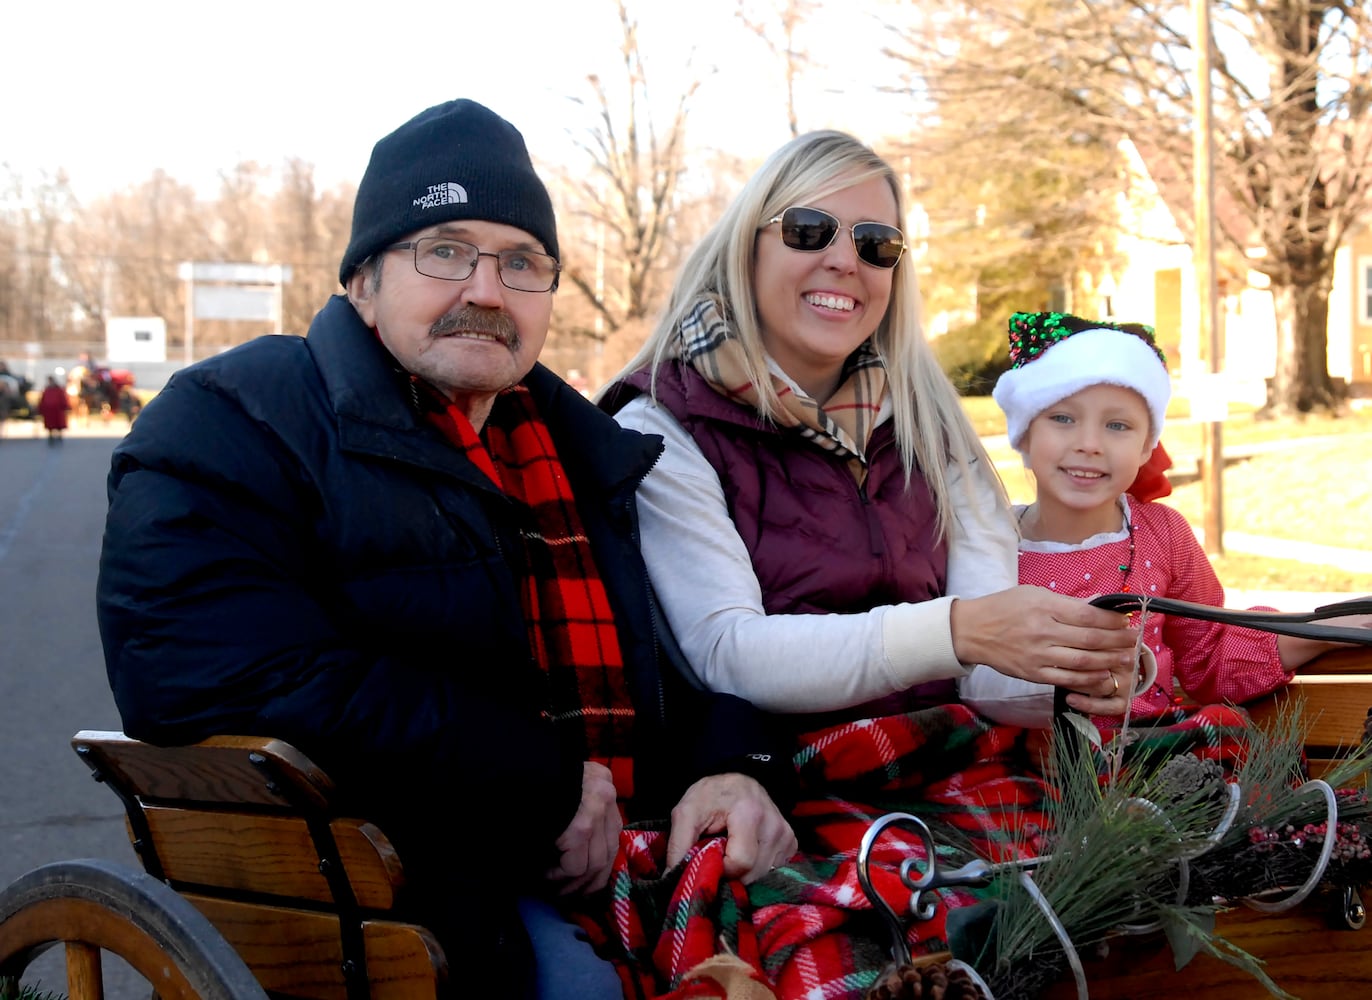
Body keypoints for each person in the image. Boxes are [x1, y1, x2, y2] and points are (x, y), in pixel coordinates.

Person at [96, 98, 796, 999]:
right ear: (362, 280)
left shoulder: (591, 455)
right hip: (409, 893)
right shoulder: (231, 420)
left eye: (521, 262)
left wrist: (732, 764)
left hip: (636, 850)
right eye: (445, 251)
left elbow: (691, 656)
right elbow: (208, 672)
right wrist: (541, 785)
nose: (486, 289)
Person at [592, 130, 1146, 998]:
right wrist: (959, 630)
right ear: (750, 242)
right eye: (810, 230)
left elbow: (985, 676)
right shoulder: (663, 420)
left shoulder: (930, 417)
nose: (846, 261)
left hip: (955, 765)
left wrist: (1066, 673)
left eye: (876, 244)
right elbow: (725, 650)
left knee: (1129, 922)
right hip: (783, 784)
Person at [992, 310, 1372, 720]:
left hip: (1149, 764)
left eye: (1117, 425)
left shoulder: (1163, 534)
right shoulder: (984, 542)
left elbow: (1208, 657)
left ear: (1145, 449)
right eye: (1062, 418)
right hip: (1019, 763)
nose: (1089, 444)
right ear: (1024, 435)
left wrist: (1328, 631)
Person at [37, 375, 71, 442]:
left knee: (58, 423)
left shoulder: (58, 389)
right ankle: (50, 436)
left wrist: (64, 406)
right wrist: (41, 408)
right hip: (49, 410)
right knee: (50, 424)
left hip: (57, 409)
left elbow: (62, 398)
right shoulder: (47, 390)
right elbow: (43, 399)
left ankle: (59, 436)